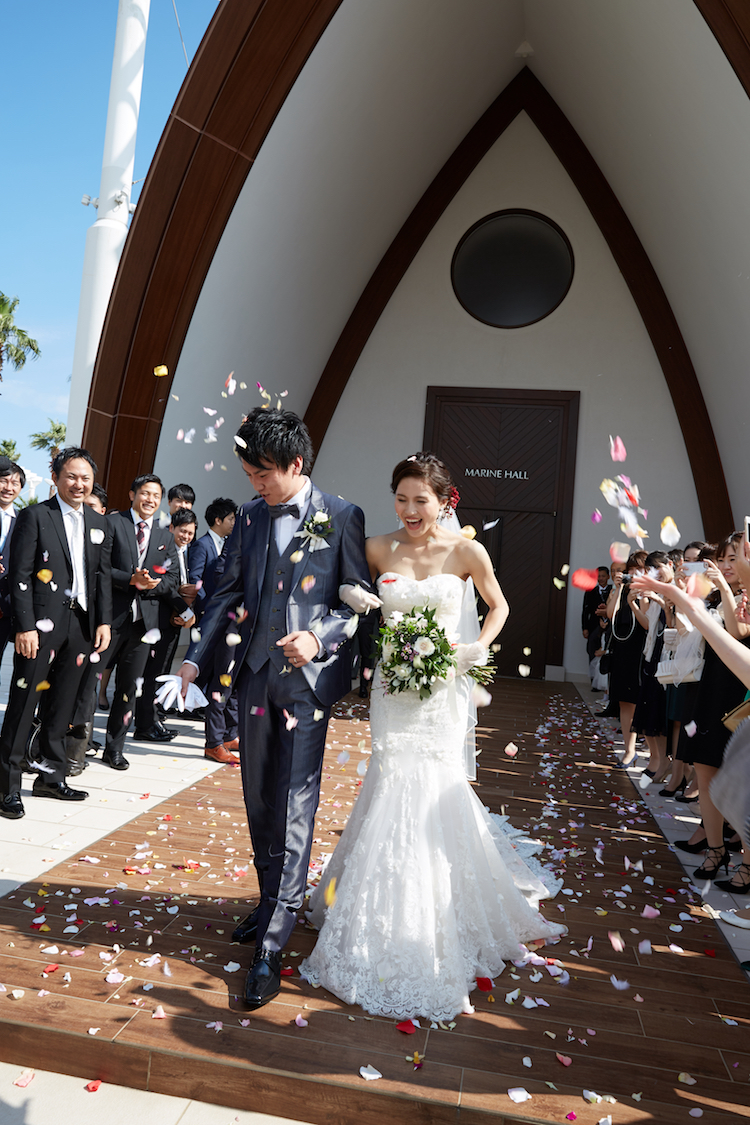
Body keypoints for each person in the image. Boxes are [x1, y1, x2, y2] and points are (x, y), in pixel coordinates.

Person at [299, 453, 566, 1021]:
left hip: (442, 690)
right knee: (391, 778)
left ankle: (435, 914)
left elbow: (499, 605)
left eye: (421, 499)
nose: (410, 509)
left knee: (433, 786)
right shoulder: (377, 547)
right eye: (402, 498)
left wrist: (476, 649)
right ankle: (377, 909)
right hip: (393, 692)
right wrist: (353, 599)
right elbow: (335, 585)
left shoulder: (466, 551)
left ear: (445, 500)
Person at [179, 407, 371, 1009]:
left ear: (295, 464)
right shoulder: (253, 518)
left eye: (262, 474)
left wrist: (319, 638)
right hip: (256, 680)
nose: (255, 486)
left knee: (294, 802)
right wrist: (192, 659)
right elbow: (228, 593)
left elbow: (356, 602)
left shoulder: (342, 515)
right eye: (248, 474)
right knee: (259, 795)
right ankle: (270, 901)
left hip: (308, 684)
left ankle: (274, 939)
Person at [0, 448, 113, 819]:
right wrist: (25, 627)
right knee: (23, 704)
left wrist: (103, 622)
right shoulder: (36, 516)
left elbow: (101, 578)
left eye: (85, 478)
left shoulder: (99, 522)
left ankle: (51, 777)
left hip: (81, 625)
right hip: (41, 627)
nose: (79, 484)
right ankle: (7, 787)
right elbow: (19, 576)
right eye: (71, 476)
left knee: (62, 705)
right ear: (56, 477)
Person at [101, 474, 179, 770]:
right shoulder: (113, 523)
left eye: (155, 496)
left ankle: (115, 748)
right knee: (87, 684)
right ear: (133, 494)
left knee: (128, 689)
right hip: (110, 620)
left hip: (143, 627)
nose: (150, 500)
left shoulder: (164, 534)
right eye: (145, 493)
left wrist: (150, 585)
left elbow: (172, 580)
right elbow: (98, 568)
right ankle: (76, 745)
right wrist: (129, 580)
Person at [133, 507, 198, 742]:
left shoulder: (187, 553)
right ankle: (144, 725)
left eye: (190, 532)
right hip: (157, 619)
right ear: (171, 528)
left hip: (173, 621)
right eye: (183, 531)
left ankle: (153, 719)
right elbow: (165, 586)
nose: (186, 536)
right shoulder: (161, 551)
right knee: (152, 674)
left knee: (161, 672)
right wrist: (185, 609)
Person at [188, 497, 240, 762]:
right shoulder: (235, 541)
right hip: (221, 619)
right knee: (220, 681)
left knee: (234, 682)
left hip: (243, 625)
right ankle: (214, 741)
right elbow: (213, 575)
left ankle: (230, 733)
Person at [0, 458, 24, 669]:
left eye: (15, 483)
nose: (9, 487)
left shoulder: (24, 522)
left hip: (4, 607)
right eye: (3, 480)